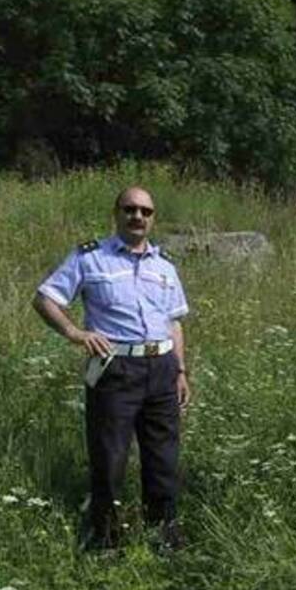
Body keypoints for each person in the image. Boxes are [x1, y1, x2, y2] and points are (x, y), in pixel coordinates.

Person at [33, 186, 191, 551]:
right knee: (110, 457)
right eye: (130, 209)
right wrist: (75, 332)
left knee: (164, 457)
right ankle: (106, 539)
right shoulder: (90, 258)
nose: (138, 217)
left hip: (162, 369)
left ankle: (163, 532)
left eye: (146, 212)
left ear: (153, 219)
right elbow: (45, 299)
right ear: (116, 213)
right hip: (114, 368)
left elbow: (175, 322)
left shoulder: (164, 265)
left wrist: (180, 370)